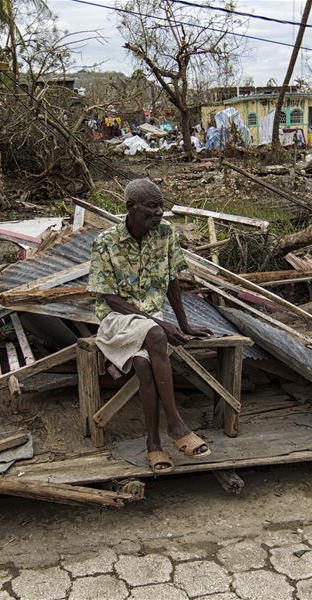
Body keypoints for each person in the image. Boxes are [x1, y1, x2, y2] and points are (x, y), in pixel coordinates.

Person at [87, 179, 212, 472]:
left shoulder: (165, 234)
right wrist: (160, 324)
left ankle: (154, 445)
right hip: (116, 320)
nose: (159, 213)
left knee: (144, 365)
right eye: (153, 206)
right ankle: (177, 425)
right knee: (156, 333)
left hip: (150, 319)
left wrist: (184, 324)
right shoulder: (106, 242)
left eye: (161, 206)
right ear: (131, 207)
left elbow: (171, 281)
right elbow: (109, 297)